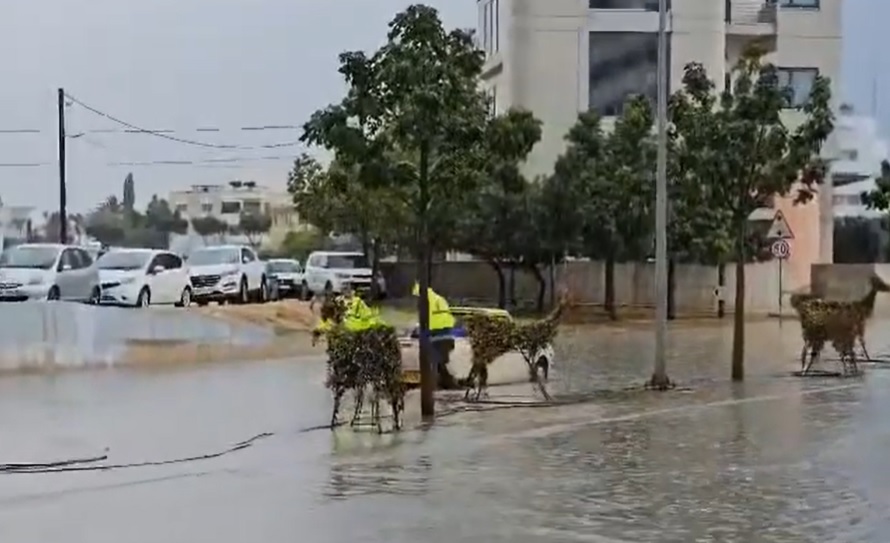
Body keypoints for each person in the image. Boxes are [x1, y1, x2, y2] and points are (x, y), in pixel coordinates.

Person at [411, 281, 457, 389]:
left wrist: (418, 332)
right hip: (447, 336)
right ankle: (446, 383)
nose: (416, 300)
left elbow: (426, 320)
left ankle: (444, 383)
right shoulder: (438, 299)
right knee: (439, 363)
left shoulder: (425, 301)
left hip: (436, 337)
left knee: (434, 361)